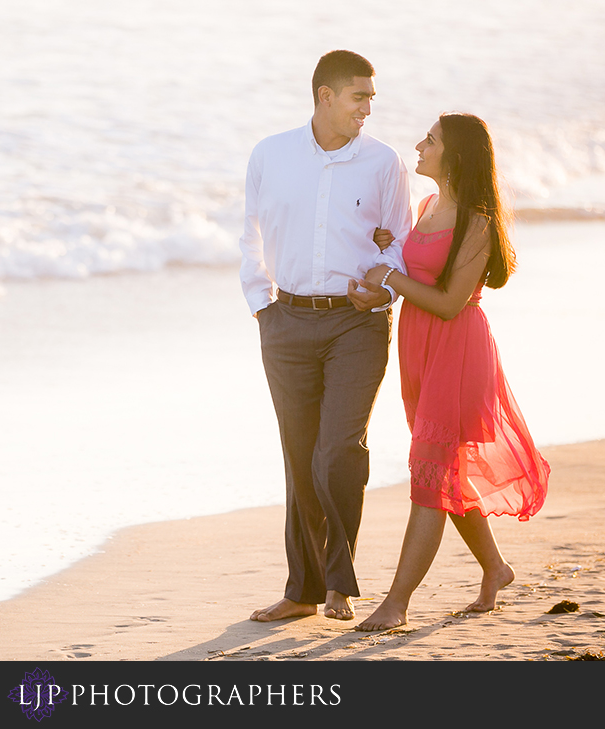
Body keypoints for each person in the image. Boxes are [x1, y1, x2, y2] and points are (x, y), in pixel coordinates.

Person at [348, 113, 550, 631]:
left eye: (431, 140)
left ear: (454, 156)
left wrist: (390, 274)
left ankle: (396, 604)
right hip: (419, 349)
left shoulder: (477, 222)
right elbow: (412, 277)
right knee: (445, 472)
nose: (419, 145)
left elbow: (448, 302)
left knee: (429, 475)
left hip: (458, 351)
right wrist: (380, 274)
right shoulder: (428, 205)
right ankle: (496, 569)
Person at [240, 50, 412, 622]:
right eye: (359, 96)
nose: (368, 107)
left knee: (337, 450)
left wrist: (383, 291)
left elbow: (400, 241)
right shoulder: (270, 154)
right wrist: (261, 303)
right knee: (298, 455)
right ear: (326, 97)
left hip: (356, 322)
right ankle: (303, 591)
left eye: (371, 97)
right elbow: (251, 232)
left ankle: (340, 582)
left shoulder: (383, 162)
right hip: (285, 320)